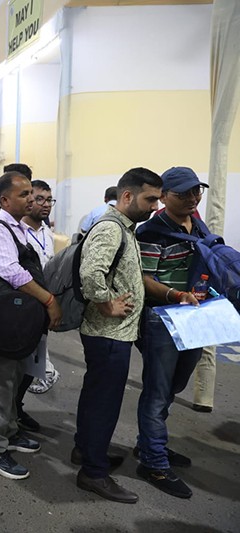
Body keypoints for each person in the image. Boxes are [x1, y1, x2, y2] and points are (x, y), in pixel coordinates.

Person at [74, 167, 162, 504]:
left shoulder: (125, 228)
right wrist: (107, 305)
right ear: (127, 196)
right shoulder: (111, 229)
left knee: (96, 396)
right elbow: (90, 273)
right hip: (108, 332)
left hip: (114, 333)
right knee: (104, 403)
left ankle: (85, 451)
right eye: (149, 198)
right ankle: (93, 474)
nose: (155, 205)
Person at [0, 172, 62, 480]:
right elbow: (10, 271)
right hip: (4, 321)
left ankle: (10, 433)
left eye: (33, 193)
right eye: (25, 194)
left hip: (19, 320)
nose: (32, 199)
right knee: (0, 385)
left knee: (14, 378)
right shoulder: (0, 229)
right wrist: (49, 300)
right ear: (5, 200)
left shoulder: (20, 228)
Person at [134, 167, 207, 499]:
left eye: (196, 191)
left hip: (193, 316)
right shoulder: (151, 231)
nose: (193, 198)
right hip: (163, 318)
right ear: (164, 197)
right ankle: (154, 463)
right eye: (184, 194)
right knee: (158, 392)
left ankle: (149, 443)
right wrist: (177, 295)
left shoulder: (196, 222)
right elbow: (145, 280)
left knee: (175, 385)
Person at [20, 181, 60, 405]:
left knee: (36, 351)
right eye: (40, 199)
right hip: (24, 303)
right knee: (18, 361)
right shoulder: (17, 232)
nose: (46, 205)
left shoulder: (47, 232)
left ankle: (19, 408)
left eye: (49, 200)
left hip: (45, 302)